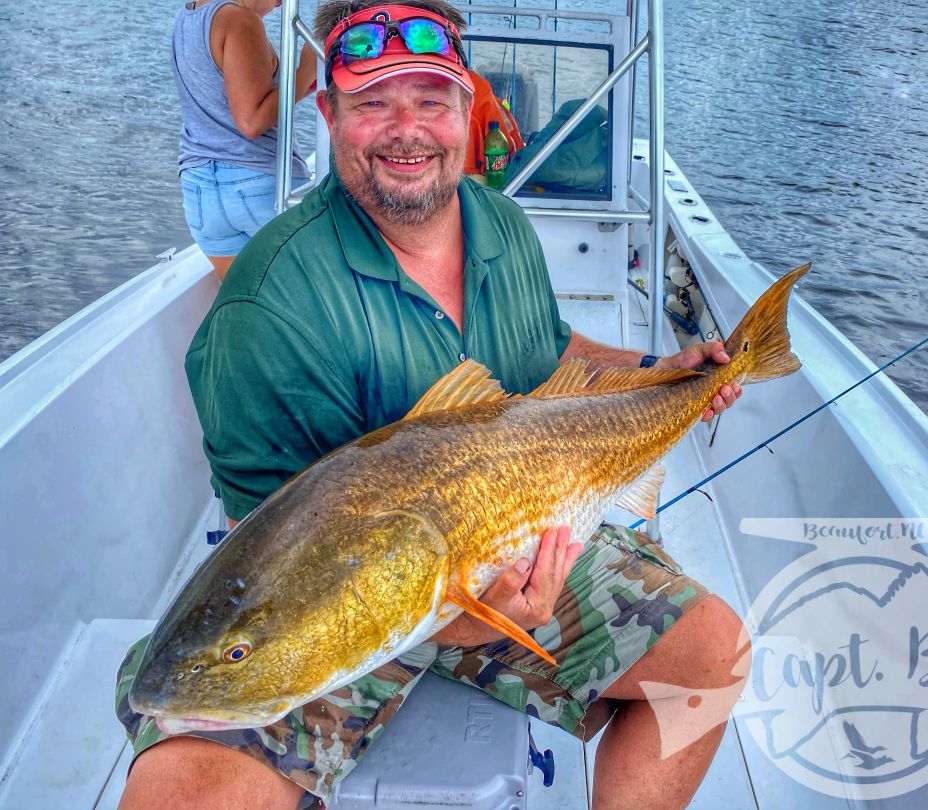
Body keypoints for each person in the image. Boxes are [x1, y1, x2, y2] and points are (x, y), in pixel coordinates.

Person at [116, 2, 750, 808]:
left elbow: (554, 358)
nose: (405, 130)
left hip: (511, 532)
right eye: (372, 101)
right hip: (349, 603)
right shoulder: (266, 308)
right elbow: (262, 551)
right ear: (329, 112)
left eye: (429, 100)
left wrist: (669, 370)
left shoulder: (502, 223)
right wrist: (462, 623)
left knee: (715, 655)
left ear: (466, 106)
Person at [172, 0, 318, 279]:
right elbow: (251, 121)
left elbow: (223, 100)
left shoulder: (187, 17)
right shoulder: (240, 21)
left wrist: (297, 87)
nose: (281, 3)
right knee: (318, 295)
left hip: (200, 193)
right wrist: (305, 72)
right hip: (257, 185)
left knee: (250, 305)